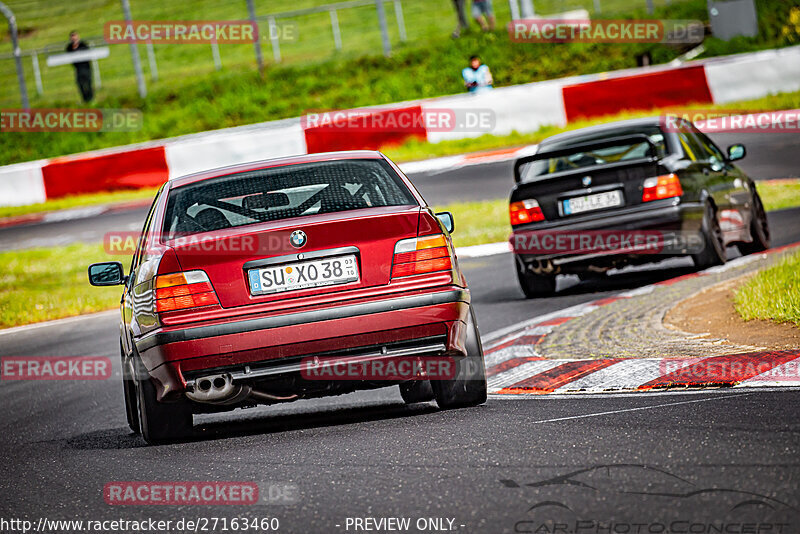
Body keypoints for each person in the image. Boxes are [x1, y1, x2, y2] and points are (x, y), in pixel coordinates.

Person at [66, 31, 93, 103]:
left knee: (88, 83)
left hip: (86, 67)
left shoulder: (83, 45)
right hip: (78, 68)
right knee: (80, 84)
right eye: (72, 38)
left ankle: (90, 98)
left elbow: (88, 55)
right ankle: (85, 99)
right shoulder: (69, 47)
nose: (74, 40)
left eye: (75, 38)